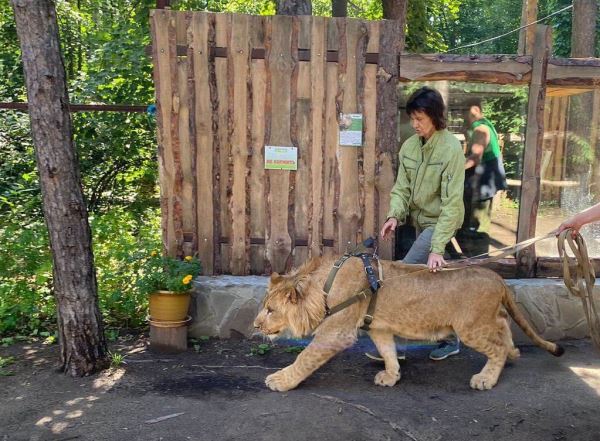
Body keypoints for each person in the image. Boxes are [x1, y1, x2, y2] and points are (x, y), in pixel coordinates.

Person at [367, 86, 465, 362]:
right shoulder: (410, 146)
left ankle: (396, 346)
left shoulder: (451, 149)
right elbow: (402, 189)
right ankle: (448, 338)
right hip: (418, 222)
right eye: (412, 118)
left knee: (401, 278)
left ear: (435, 117)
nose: (415, 124)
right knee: (433, 286)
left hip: (441, 223)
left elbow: (453, 203)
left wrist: (436, 247)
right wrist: (393, 216)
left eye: (420, 118)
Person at [456, 99, 507, 257]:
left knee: (478, 226)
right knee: (466, 223)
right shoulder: (481, 126)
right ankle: (471, 257)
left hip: (484, 182)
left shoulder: (481, 128)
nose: (463, 113)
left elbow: (475, 158)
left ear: (476, 110)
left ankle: (480, 260)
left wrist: (454, 171)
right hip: (479, 181)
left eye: (466, 109)